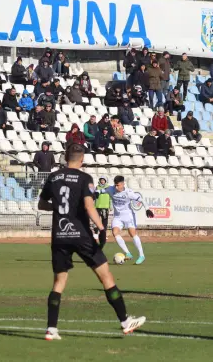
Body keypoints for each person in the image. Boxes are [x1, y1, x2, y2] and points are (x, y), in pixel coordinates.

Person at [38, 144, 146, 340]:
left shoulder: (53, 177)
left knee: (59, 282)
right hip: (81, 235)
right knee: (106, 277)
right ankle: (125, 321)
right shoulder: (84, 178)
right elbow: (89, 206)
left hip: (59, 235)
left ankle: (51, 329)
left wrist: (61, 208)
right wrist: (101, 226)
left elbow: (42, 203)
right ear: (82, 160)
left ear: (64, 158)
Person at [96, 175, 154, 265]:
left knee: (132, 233)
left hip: (129, 216)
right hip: (118, 217)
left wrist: (147, 209)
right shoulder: (111, 189)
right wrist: (96, 193)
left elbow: (141, 200)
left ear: (123, 184)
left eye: (118, 185)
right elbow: (101, 190)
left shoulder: (128, 193)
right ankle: (128, 253)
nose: (116, 187)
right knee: (115, 233)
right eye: (115, 185)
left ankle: (141, 255)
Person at [94, 176, 111, 248]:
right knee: (96, 220)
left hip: (105, 206)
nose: (102, 181)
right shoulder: (97, 187)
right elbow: (95, 196)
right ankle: (95, 233)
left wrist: (110, 206)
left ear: (105, 181)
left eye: (103, 180)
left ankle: (103, 234)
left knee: (105, 221)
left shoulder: (109, 187)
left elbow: (110, 197)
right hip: (98, 206)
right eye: (101, 180)